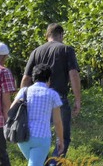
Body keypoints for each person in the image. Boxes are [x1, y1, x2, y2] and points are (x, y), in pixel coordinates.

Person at [21, 23, 81, 163]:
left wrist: (23, 99)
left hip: (36, 100)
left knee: (38, 133)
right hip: (58, 99)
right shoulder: (66, 49)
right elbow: (73, 74)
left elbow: (26, 78)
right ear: (61, 35)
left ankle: (42, 161)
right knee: (63, 137)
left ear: (47, 35)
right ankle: (54, 163)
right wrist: (78, 100)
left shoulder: (36, 51)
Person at [14, 64, 64, 166]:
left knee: (36, 162)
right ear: (49, 79)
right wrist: (60, 140)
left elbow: (11, 110)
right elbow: (57, 121)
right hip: (41, 137)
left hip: (22, 137)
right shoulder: (52, 94)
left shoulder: (24, 91)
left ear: (33, 78)